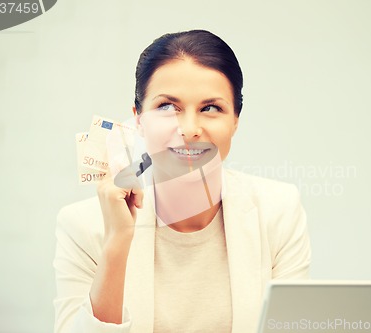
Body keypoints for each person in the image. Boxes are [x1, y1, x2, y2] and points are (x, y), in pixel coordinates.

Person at [53, 29, 311, 333]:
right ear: (138, 119)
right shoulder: (82, 226)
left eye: (210, 108)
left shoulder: (278, 211)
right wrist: (116, 244)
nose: (189, 129)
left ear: (235, 121)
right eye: (167, 107)